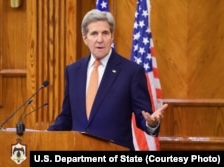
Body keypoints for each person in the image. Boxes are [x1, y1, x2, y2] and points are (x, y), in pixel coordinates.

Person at [48, 9, 168, 150]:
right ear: (85, 38)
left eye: (105, 33)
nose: (100, 39)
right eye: (94, 33)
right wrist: (47, 136)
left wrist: (151, 123)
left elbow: (144, 117)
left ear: (112, 37)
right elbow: (67, 116)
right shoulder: (73, 71)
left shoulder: (131, 72)